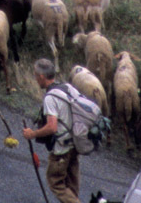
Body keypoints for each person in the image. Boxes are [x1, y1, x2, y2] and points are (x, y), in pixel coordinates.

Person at [24, 57, 84, 203]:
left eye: (35, 75)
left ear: (41, 76)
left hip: (62, 148)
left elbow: (52, 126)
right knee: (71, 182)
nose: (35, 78)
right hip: (75, 143)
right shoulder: (68, 88)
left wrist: (33, 134)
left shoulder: (50, 98)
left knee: (56, 183)